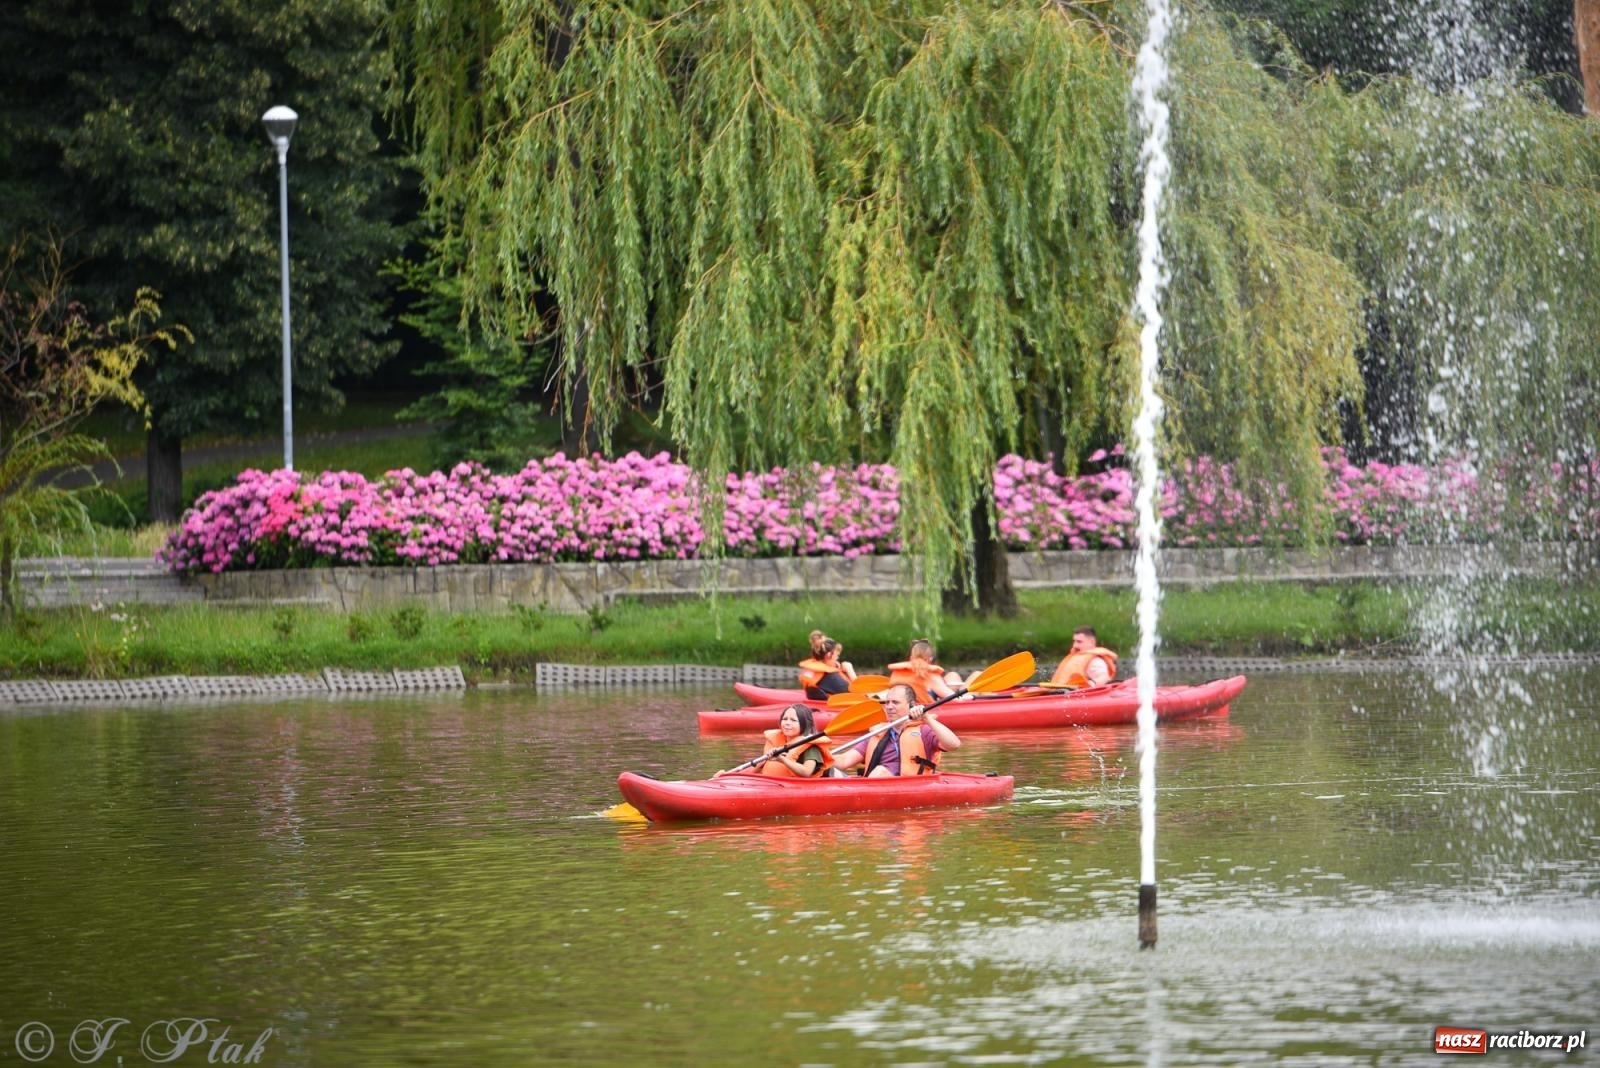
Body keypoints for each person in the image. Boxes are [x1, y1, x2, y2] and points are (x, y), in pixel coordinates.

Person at [831, 685, 960, 778]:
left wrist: (926, 718)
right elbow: (844, 761)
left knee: (880, 772)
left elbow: (954, 744)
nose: (889, 707)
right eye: (887, 702)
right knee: (830, 772)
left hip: (911, 785)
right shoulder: (877, 733)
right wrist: (820, 757)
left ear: (911, 705)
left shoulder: (924, 731)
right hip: (873, 783)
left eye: (895, 702)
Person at [718, 704, 833, 778]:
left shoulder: (811, 747)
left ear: (805, 724)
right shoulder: (777, 741)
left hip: (796, 787)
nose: (787, 723)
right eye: (784, 719)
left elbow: (807, 772)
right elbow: (759, 768)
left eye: (793, 720)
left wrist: (782, 759)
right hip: (773, 783)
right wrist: (731, 777)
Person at [888, 639, 957, 704]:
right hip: (925, 712)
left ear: (911, 657)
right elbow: (954, 699)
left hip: (902, 709)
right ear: (930, 659)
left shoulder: (896, 673)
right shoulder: (932, 676)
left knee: (951, 676)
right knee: (953, 675)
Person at [1048, 626, 1118, 689]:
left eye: (1079, 642)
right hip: (1062, 696)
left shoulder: (1095, 660)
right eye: (1074, 641)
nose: (1075, 645)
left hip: (1076, 698)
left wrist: (1089, 685)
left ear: (1092, 642)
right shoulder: (1077, 657)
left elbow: (1104, 677)